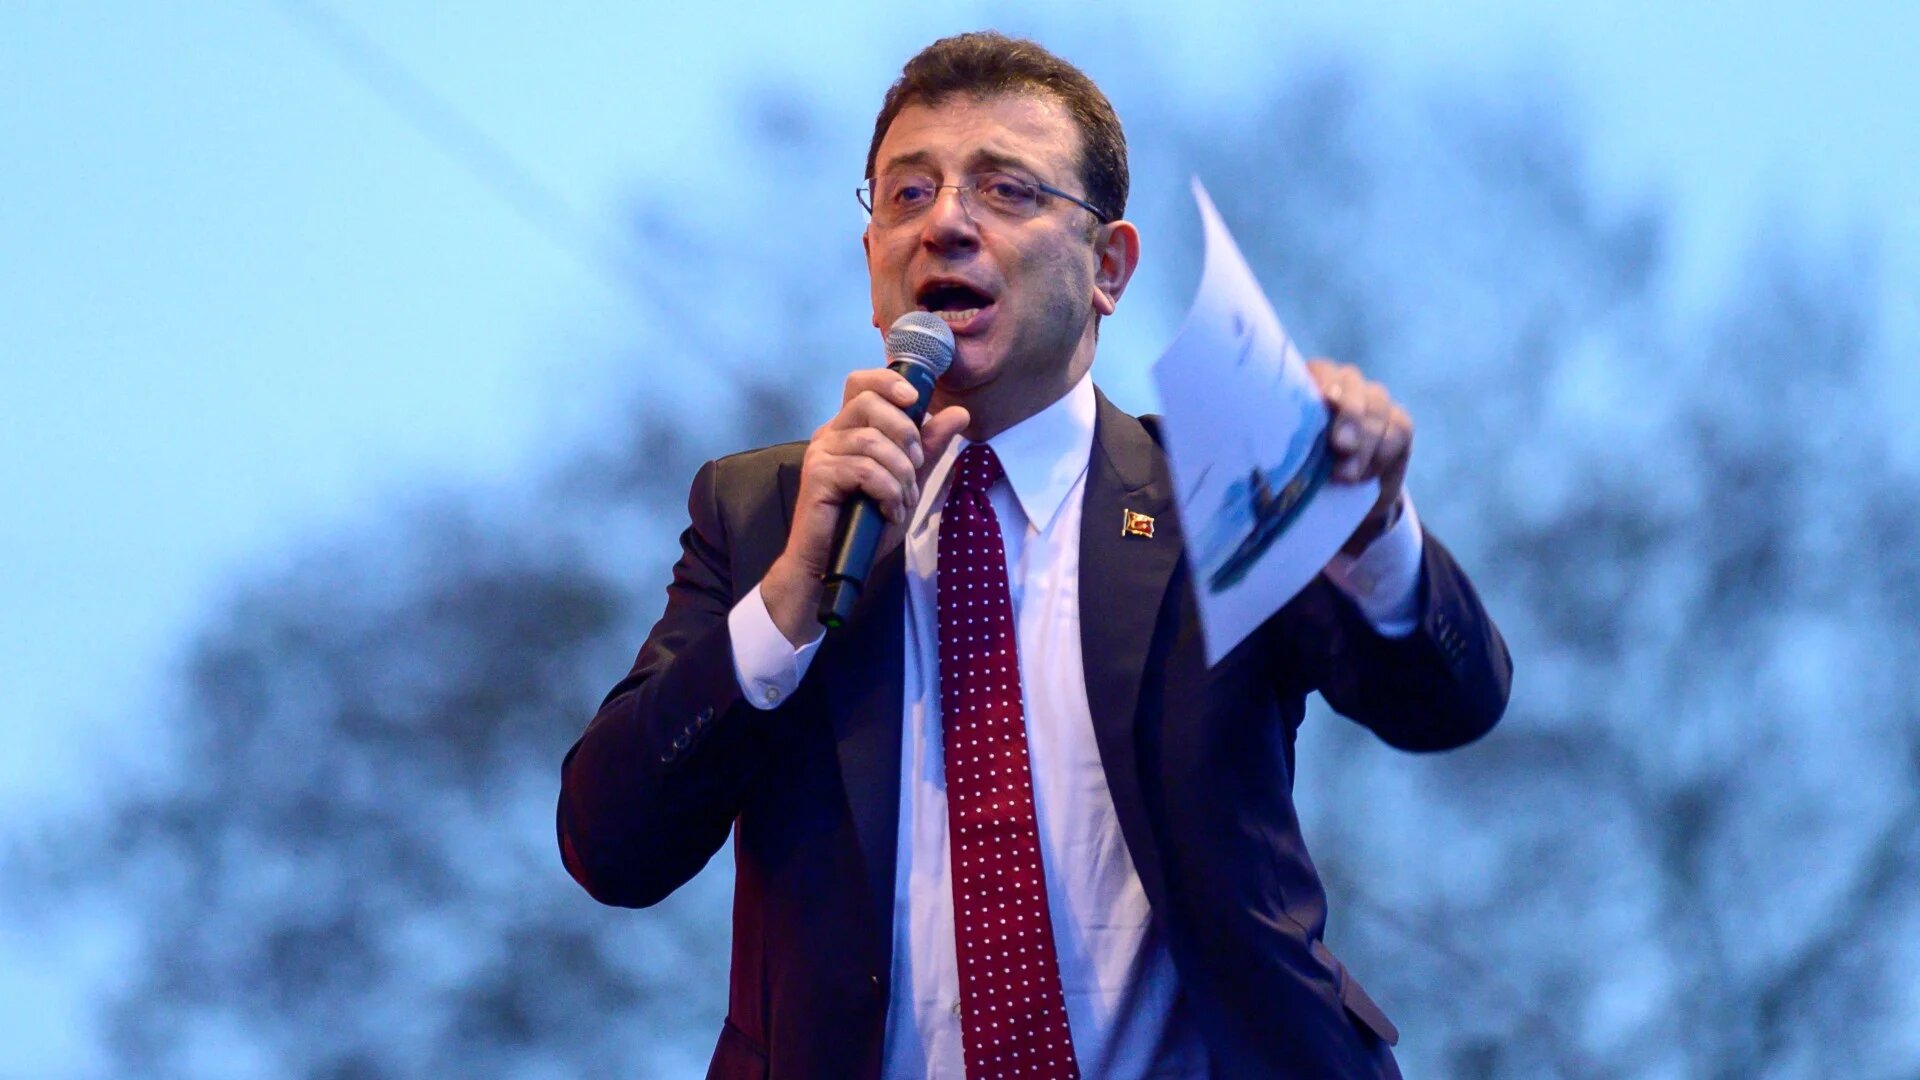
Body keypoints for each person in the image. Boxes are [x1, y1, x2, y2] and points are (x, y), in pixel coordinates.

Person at [557, 30, 1510, 1080]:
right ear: (872, 259)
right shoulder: (763, 514)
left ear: (1108, 267)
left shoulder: (1210, 487)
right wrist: (787, 603)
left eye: (1005, 190)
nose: (945, 223)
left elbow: (1447, 703)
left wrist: (1370, 529)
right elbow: (611, 848)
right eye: (908, 193)